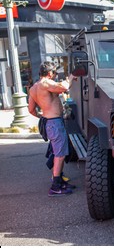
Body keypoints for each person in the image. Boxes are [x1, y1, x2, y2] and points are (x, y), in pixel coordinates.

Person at [28, 61, 77, 196]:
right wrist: (71, 76)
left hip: (51, 122)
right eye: (54, 73)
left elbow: (31, 110)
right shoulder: (46, 83)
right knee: (60, 155)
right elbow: (64, 87)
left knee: (58, 152)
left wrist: (44, 116)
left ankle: (60, 181)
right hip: (54, 123)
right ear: (49, 73)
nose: (55, 75)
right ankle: (55, 186)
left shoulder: (34, 88)